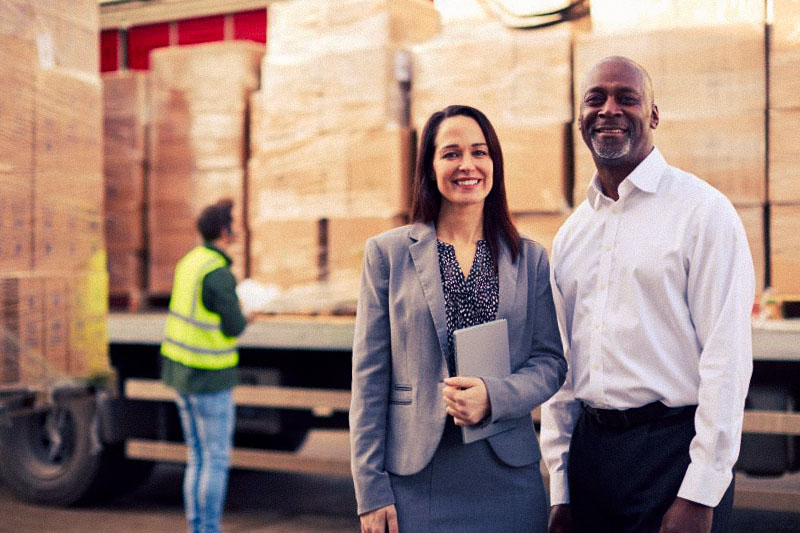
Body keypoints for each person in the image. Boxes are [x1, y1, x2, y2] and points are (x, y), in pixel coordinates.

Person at [540, 56, 755, 533]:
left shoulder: (702, 213)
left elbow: (727, 360)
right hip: (592, 459)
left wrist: (699, 494)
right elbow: (564, 373)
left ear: (653, 115)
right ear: (580, 118)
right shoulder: (572, 234)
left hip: (672, 455)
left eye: (627, 98)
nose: (609, 109)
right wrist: (561, 488)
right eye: (595, 98)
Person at [349, 104, 567, 533]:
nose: (467, 164)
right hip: (417, 477)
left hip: (507, 473)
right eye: (451, 153)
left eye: (479, 152)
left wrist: (494, 396)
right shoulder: (388, 254)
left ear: (494, 164)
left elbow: (550, 363)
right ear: (430, 167)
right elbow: (369, 380)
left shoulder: (530, 257)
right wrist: (370, 492)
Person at [160, 198, 248, 533]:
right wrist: (246, 315)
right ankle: (208, 530)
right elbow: (233, 326)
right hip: (210, 379)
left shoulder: (189, 263)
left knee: (196, 457)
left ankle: (197, 528)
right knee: (215, 460)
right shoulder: (218, 273)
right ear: (224, 232)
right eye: (233, 226)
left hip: (181, 373)